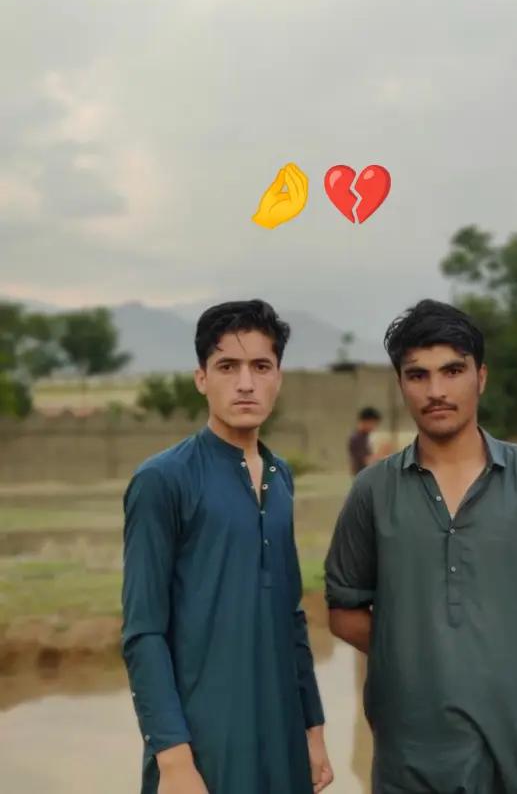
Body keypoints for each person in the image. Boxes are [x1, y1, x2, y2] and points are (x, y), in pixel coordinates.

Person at [324, 299, 517, 794]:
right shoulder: (372, 492)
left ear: (481, 377)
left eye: (452, 371)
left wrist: (506, 653)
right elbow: (344, 613)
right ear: (401, 385)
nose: (436, 391)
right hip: (417, 760)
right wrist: (423, 656)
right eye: (418, 375)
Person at [122, 299, 333, 794]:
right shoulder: (163, 480)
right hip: (203, 747)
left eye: (260, 366)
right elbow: (143, 632)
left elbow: (291, 615)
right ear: (201, 378)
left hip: (281, 739)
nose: (245, 383)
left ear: (278, 377)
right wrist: (173, 759)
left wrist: (313, 729)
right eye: (227, 367)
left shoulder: (281, 477)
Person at [347, 406, 382, 475]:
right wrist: (381, 456)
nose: (374, 427)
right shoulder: (357, 438)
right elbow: (366, 461)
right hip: (362, 475)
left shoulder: (364, 437)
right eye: (373, 423)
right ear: (366, 421)